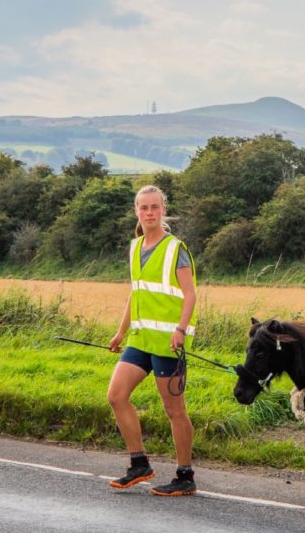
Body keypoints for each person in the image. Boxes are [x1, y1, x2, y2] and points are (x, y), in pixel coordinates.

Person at [106, 185, 198, 496]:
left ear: (163, 210)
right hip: (139, 339)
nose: (149, 213)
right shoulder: (134, 247)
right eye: (143, 208)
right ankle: (139, 464)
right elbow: (137, 292)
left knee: (175, 411)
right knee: (116, 396)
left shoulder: (176, 248)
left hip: (168, 343)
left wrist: (181, 330)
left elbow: (190, 295)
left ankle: (185, 475)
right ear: (136, 211)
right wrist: (121, 331)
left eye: (154, 207)